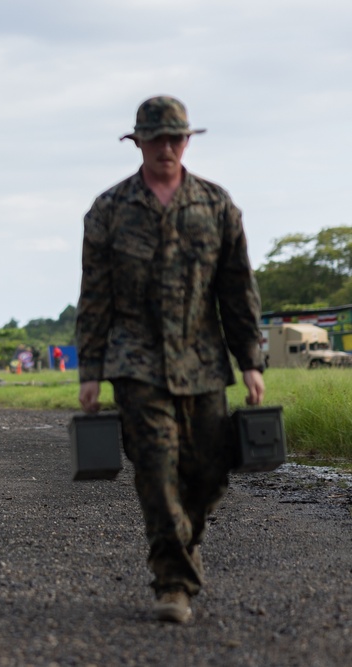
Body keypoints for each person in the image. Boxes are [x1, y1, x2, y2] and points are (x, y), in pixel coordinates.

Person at [76, 96, 265, 624]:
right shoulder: (108, 210)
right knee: (157, 474)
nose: (166, 147)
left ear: (187, 141)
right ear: (137, 142)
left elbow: (237, 289)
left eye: (175, 138)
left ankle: (184, 542)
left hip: (203, 363)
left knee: (207, 476)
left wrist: (250, 359)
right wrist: (90, 371)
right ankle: (174, 583)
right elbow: (95, 296)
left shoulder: (216, 205)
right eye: (156, 138)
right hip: (136, 364)